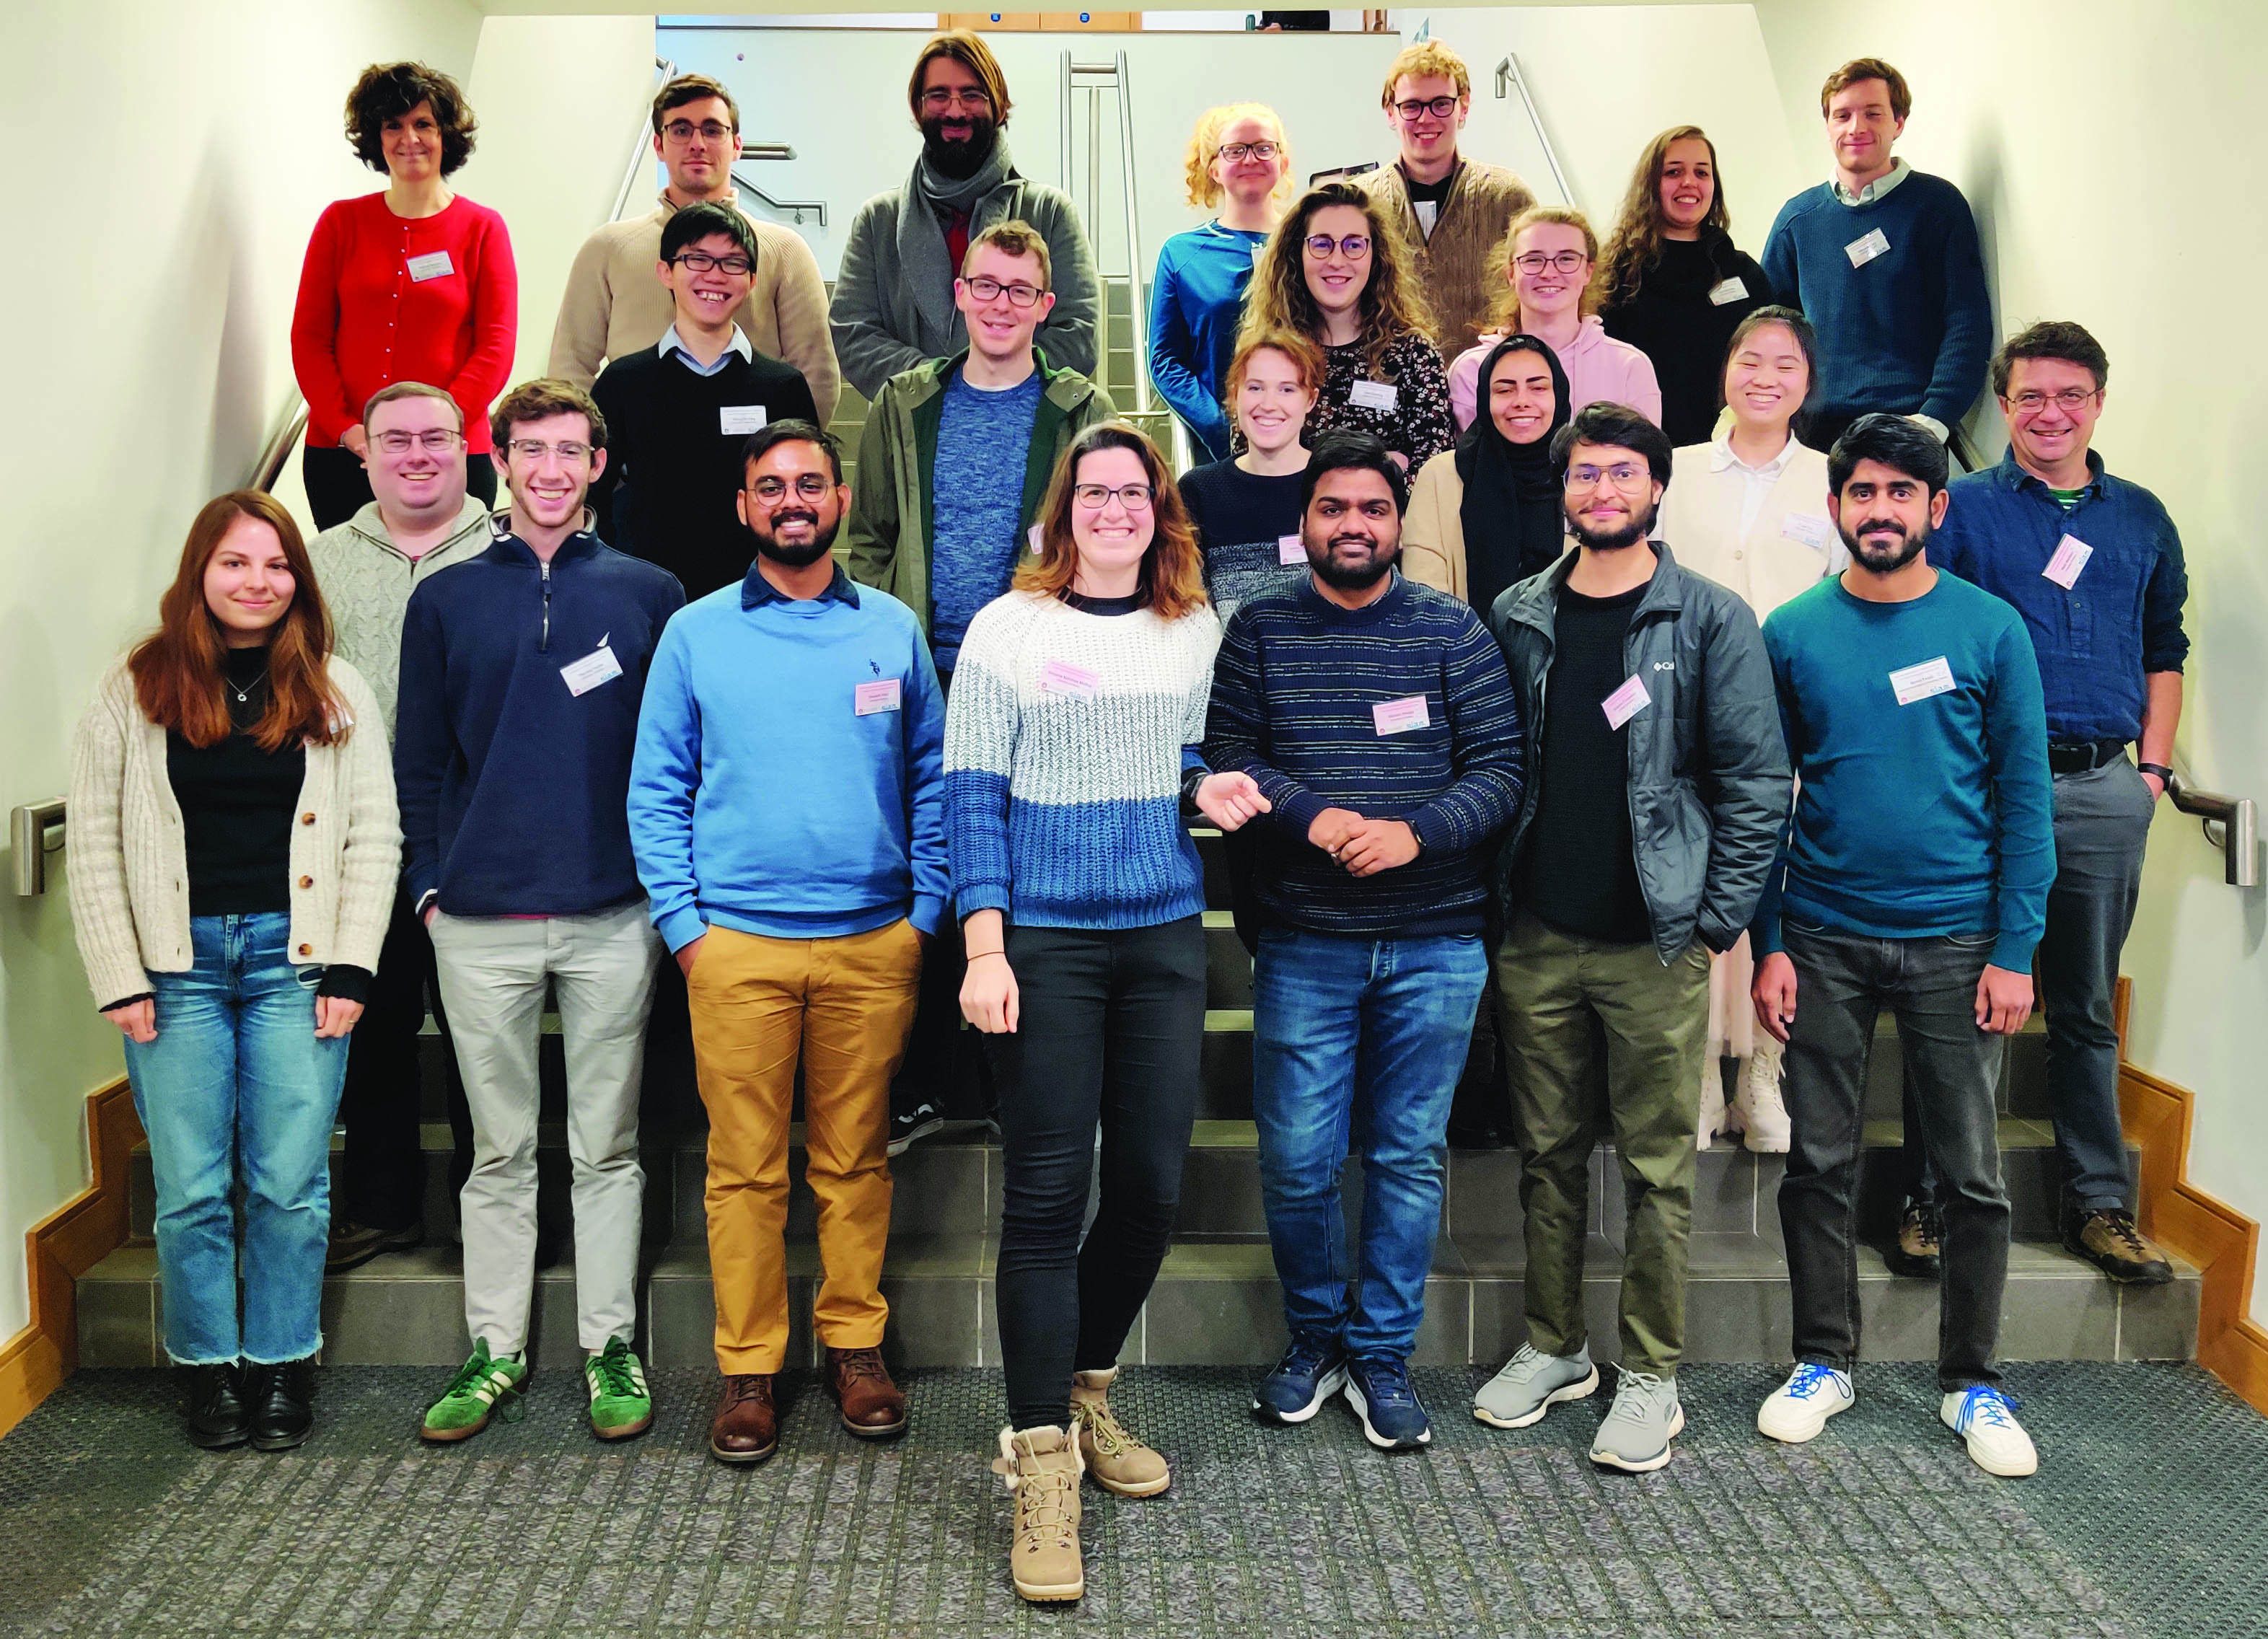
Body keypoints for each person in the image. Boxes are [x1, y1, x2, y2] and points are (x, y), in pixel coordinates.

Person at [951, 421, 1261, 1604]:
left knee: (1146, 1189)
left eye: (1135, 491)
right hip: (1042, 942)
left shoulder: (1194, 628)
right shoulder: (1005, 629)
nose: (1116, 508)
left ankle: (1086, 1394)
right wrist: (984, 942)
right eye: (1096, 491)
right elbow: (971, 795)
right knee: (1043, 1197)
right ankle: (1037, 1464)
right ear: (1062, 507)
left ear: (1158, 510)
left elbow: (1185, 753)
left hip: (1161, 935)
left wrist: (1209, 783)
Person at [1477, 403, 1788, 1473]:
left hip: (1658, 940)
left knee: (1658, 1168)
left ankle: (1652, 1374)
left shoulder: (1707, 619)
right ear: (1563, 490)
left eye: (1621, 475)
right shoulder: (1520, 609)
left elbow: (1755, 780)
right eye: (1584, 476)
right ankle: (1555, 1346)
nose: (1601, 492)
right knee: (1548, 1159)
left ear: (1656, 489)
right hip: (1539, 936)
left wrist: (1716, 918)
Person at [628, 419, 944, 1466]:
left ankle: (856, 1349)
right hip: (734, 950)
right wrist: (685, 930)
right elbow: (656, 788)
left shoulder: (892, 629)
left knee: (855, 1165)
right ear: (744, 508)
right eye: (772, 487)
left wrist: (924, 918)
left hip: (872, 945)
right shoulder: (696, 632)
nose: (793, 500)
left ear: (843, 501)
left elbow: (934, 780)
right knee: (745, 1171)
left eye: (812, 483)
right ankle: (750, 1367)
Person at [1205, 430, 1524, 1454]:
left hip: (1435, 943)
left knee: (1406, 1156)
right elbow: (1230, 753)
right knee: (1298, 1161)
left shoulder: (1453, 630)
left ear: (1397, 524)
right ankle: (1314, 1339)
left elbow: (1502, 771)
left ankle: (1382, 1355)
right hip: (1306, 938)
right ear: (1305, 524)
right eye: (1333, 509)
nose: (1354, 525)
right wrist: (1307, 813)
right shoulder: (1259, 631)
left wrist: (1412, 832)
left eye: (1373, 510)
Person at [1749, 414, 2053, 1480]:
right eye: (1862, 494)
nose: (1880, 510)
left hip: (1958, 942)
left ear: (1936, 509)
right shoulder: (1790, 631)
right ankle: (1822, 1359)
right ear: (1837, 510)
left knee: (1971, 1175)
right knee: (1818, 1161)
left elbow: (2025, 800)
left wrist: (2015, 950)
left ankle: (1974, 1381)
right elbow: (1765, 798)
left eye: (1900, 494)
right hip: (1824, 934)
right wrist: (1772, 940)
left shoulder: (1990, 630)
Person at [68, 492, 399, 1451]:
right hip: (174, 976)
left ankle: (284, 1359)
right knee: (192, 1190)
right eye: (235, 563)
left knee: (291, 1185)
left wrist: (353, 965)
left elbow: (373, 835)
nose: (256, 582)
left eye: (275, 564)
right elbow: (93, 842)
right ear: (199, 576)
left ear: (298, 579)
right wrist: (118, 975)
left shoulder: (338, 690)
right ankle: (210, 1367)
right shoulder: (133, 689)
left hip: (296, 970)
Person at [397, 381, 685, 1446]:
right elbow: (418, 760)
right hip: (477, 921)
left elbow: (676, 761)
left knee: (606, 1146)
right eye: (532, 450)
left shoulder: (652, 595)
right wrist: (427, 887)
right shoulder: (446, 600)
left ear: (599, 465)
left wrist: (663, 889)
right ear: (500, 462)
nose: (552, 470)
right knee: (500, 1150)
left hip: (614, 913)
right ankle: (496, 1349)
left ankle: (610, 1347)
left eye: (572, 451)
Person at [1919, 322, 2184, 1285]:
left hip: (2102, 787)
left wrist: (2150, 776)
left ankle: (2099, 1206)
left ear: (2099, 402)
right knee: (1953, 1000)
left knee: (2082, 1010)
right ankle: (1935, 1195)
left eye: (2070, 395)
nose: (2050, 413)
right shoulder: (1966, 510)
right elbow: (1926, 623)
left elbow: (2166, 650)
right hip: (1984, 792)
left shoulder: (2142, 518)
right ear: (2002, 406)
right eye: (2030, 397)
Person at [307, 383, 491, 1275]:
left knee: (476, 1031)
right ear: (365, 453)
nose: (417, 454)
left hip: (473, 832)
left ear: (467, 446)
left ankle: (480, 1205)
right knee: (374, 1027)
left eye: (435, 438)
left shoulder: (508, 546)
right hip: (357, 835)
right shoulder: (320, 561)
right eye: (396, 440)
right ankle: (382, 1205)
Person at [1656, 307, 1842, 1154]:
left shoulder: (1835, 478)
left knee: (1776, 891)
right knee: (1691, 883)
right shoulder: (1678, 468)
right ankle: (1696, 1075)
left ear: (1809, 382)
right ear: (1726, 372)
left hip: (1792, 714)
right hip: (1681, 712)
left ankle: (1764, 1071)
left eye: (1786, 364)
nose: (1766, 376)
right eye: (1750, 360)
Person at [291, 61, 514, 530]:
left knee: (448, 598)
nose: (408, 138)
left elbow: (495, 345)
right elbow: (310, 338)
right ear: (376, 137)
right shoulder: (340, 224)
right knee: (355, 597)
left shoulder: (482, 229)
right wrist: (350, 430)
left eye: (423, 124)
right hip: (345, 454)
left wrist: (435, 430)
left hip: (453, 453)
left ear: (445, 135)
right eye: (393, 125)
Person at [548, 72, 840, 425]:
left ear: (737, 146)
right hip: (635, 469)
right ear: (658, 145)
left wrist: (783, 461)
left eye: (713, 130)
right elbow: (570, 369)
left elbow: (817, 373)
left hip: (755, 462)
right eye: (681, 130)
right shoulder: (607, 249)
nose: (697, 143)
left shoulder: (785, 250)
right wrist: (606, 451)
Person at [831, 30, 1099, 400]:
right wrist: (943, 389)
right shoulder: (878, 221)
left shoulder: (1051, 213)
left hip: (1033, 433)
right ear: (918, 107)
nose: (955, 111)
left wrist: (995, 390)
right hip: (912, 433)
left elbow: (1079, 335)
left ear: (999, 106)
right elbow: (854, 334)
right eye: (939, 95)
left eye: (972, 95)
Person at [587, 203, 820, 600]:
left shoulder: (782, 386)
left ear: (752, 280)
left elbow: (808, 493)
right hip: (649, 594)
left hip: (760, 593)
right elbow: (593, 493)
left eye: (732, 263)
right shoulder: (623, 383)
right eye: (697, 259)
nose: (714, 275)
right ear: (666, 272)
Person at [1761, 59, 1992, 451]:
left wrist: (1935, 418)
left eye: (1873, 113)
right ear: (1828, 126)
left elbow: (1966, 320)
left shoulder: (1937, 207)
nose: (1856, 128)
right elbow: (1768, 329)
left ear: (1898, 122)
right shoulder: (1797, 219)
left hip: (1907, 427)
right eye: (1843, 115)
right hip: (1813, 433)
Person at [1243, 182, 1454, 473]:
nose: (1337, 261)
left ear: (1375, 256)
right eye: (1321, 244)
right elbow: (1248, 465)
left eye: (1354, 245)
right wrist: (1382, 467)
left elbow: (1434, 472)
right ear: (1297, 252)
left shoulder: (1414, 355)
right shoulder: (1268, 356)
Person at [1352, 41, 1536, 361]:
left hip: (1488, 384)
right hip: (1385, 383)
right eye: (1411, 106)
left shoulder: (1508, 197)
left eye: (1441, 104)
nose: (1426, 119)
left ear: (1463, 107)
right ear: (1391, 113)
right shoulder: (1360, 201)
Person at [1599, 126, 1772, 447]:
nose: (1689, 182)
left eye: (1701, 172)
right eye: (1674, 172)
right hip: (1637, 451)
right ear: (1650, 184)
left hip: (1731, 451)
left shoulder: (1743, 273)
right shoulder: (1615, 275)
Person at [1149, 104, 1295, 463]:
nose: (1251, 160)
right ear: (1213, 167)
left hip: (1304, 449)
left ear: (1283, 161)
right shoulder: (1182, 253)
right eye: (1235, 150)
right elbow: (1165, 360)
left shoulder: (1310, 244)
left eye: (1264, 147)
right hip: (1219, 455)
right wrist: (1223, 428)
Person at [1449, 207, 1659, 434]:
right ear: (1511, 273)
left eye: (1567, 259)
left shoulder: (1629, 367)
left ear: (1588, 271)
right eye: (1533, 260)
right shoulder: (1471, 371)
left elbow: (1643, 464)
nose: (1549, 272)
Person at [1403, 333, 1570, 611]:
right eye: (1505, 390)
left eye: (1538, 388)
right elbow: (1425, 598)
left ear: (1560, 395)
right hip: (1463, 648)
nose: (1521, 401)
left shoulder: (1581, 476)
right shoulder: (1441, 476)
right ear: (1484, 397)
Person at [1177, 328, 1323, 619]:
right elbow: (1188, 605)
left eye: (1287, 389)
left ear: (1310, 400)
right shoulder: (1198, 491)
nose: (1268, 405)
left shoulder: (1335, 484)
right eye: (1255, 387)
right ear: (1235, 395)